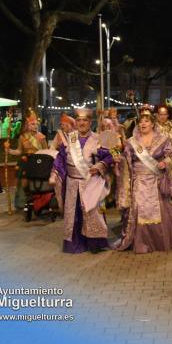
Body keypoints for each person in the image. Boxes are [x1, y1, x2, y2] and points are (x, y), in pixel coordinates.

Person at [113, 108, 172, 254]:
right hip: (139, 181)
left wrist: (165, 162)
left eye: (146, 121)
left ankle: (160, 240)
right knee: (139, 208)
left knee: (163, 210)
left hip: (157, 180)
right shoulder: (131, 142)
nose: (143, 124)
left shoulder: (163, 139)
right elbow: (126, 160)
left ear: (153, 124)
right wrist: (117, 158)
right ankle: (142, 241)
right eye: (140, 121)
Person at [49, 108, 114, 253]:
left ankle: (94, 244)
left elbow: (110, 157)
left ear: (90, 122)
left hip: (91, 182)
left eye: (85, 120)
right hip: (72, 183)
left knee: (92, 213)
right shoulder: (68, 138)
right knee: (74, 215)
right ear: (75, 122)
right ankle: (75, 244)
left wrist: (99, 166)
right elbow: (60, 158)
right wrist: (54, 174)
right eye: (78, 120)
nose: (81, 123)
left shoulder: (99, 138)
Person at [5, 110, 48, 210]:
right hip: (26, 162)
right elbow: (19, 151)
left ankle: (40, 201)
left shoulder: (41, 137)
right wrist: (9, 150)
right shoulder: (22, 137)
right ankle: (24, 201)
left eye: (36, 124)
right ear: (27, 125)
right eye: (32, 124)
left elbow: (46, 151)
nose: (35, 126)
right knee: (23, 183)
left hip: (38, 162)